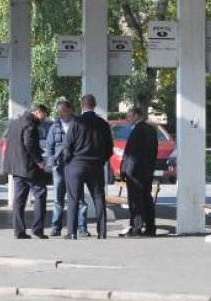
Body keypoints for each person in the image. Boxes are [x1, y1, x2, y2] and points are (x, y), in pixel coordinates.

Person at [63, 94, 113, 239]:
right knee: (98, 198)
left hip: (76, 165)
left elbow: (68, 145)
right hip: (95, 165)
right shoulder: (103, 124)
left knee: (73, 199)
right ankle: (102, 232)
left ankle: (72, 233)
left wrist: (68, 161)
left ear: (82, 105)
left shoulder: (76, 122)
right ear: (95, 105)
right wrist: (101, 160)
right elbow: (109, 148)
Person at [2, 104, 50, 240]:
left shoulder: (14, 124)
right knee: (41, 193)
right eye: (44, 116)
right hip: (28, 168)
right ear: (37, 112)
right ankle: (38, 229)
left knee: (19, 199)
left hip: (16, 168)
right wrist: (40, 162)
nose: (44, 119)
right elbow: (30, 145)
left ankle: (19, 231)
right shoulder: (30, 125)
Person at [45, 99, 89, 237]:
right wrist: (52, 162)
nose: (61, 114)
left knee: (80, 198)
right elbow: (49, 147)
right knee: (58, 199)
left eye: (63, 110)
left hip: (75, 167)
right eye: (59, 111)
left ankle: (82, 228)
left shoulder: (79, 125)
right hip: (59, 168)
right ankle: (56, 227)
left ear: (71, 110)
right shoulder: (55, 127)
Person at [119, 107, 158, 237]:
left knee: (136, 201)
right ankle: (151, 227)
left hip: (135, 173)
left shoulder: (137, 130)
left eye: (129, 116)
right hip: (147, 171)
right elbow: (153, 152)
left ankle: (137, 227)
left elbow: (132, 154)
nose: (127, 119)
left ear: (137, 115)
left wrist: (125, 171)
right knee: (147, 199)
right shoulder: (151, 130)